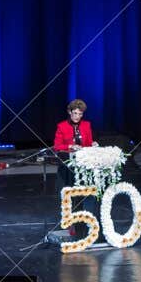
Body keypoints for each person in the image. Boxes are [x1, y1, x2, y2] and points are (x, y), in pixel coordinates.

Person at [53, 98, 96, 234]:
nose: (77, 116)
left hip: (82, 167)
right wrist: (70, 146)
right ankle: (67, 221)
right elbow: (57, 146)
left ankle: (82, 221)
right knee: (67, 194)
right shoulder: (61, 126)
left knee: (82, 194)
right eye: (75, 113)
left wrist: (93, 144)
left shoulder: (86, 125)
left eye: (80, 114)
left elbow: (88, 143)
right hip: (67, 167)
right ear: (69, 112)